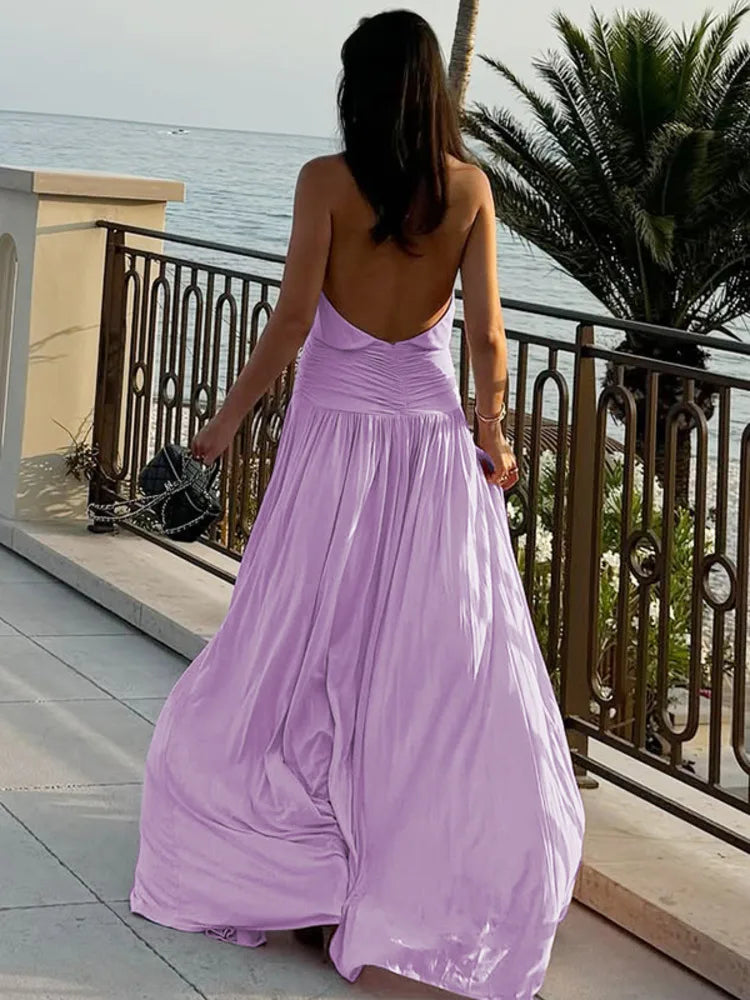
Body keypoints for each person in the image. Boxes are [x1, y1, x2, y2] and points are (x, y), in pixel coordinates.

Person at [130, 10, 586, 1000]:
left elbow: (293, 322)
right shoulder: (469, 189)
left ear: (361, 88)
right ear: (431, 89)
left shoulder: (323, 184)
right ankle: (412, 852)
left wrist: (213, 435)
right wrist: (495, 439)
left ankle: (299, 860)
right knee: (427, 659)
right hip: (429, 447)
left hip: (332, 444)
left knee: (302, 641)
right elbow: (490, 344)